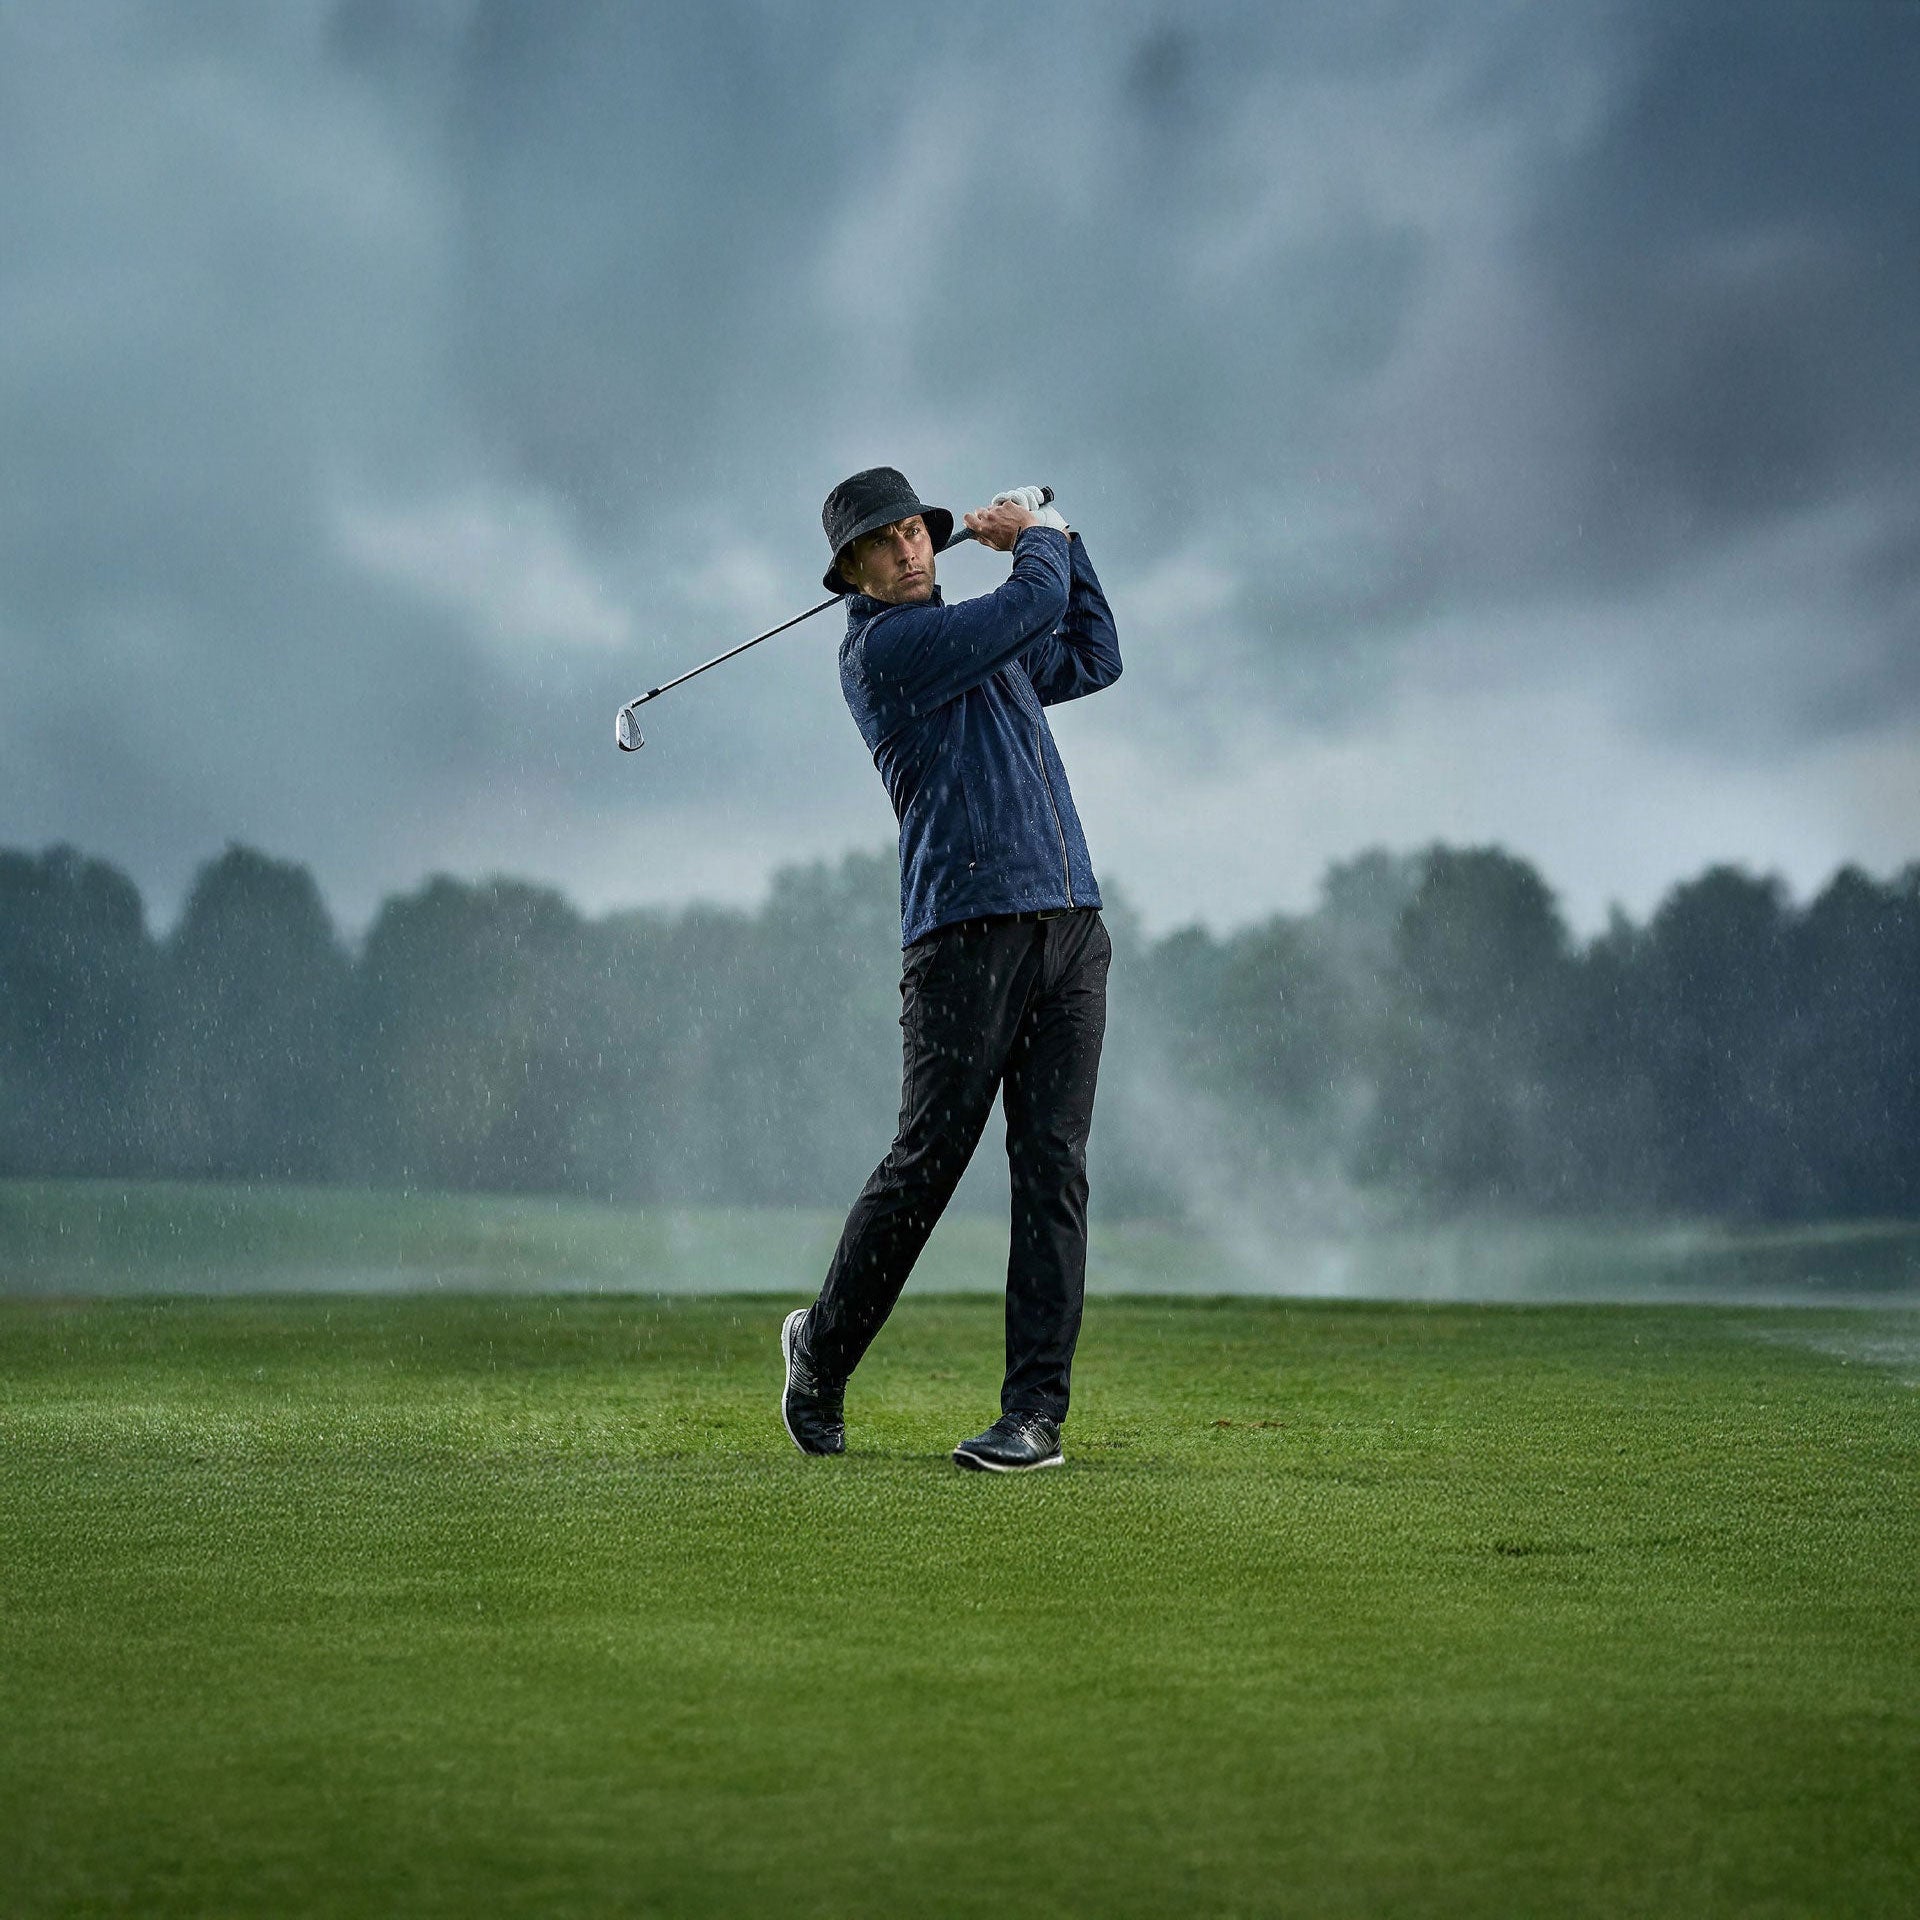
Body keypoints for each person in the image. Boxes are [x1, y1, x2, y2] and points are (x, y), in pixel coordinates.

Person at [780, 467, 1122, 1471]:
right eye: (882, 543)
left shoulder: (986, 642)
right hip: (963, 937)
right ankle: (821, 1351)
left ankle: (1032, 1418)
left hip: (1070, 927)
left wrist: (1064, 539)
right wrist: (1039, 532)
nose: (909, 549)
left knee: (1052, 1170)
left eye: (917, 532)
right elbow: (1035, 599)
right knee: (928, 1164)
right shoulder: (888, 651)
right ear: (852, 572)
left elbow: (1093, 652)